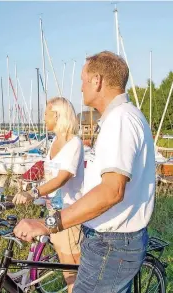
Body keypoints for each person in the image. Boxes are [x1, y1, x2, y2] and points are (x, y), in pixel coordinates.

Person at [13, 51, 156, 292]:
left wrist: (48, 223)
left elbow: (111, 191)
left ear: (97, 80)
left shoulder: (120, 120)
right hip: (111, 242)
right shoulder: (121, 118)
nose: (80, 88)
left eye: (83, 79)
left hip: (111, 245)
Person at [13, 97, 84, 292]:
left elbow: (62, 178)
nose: (43, 118)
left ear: (57, 115)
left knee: (72, 275)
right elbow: (49, 176)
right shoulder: (55, 141)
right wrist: (33, 191)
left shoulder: (73, 142)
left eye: (46, 114)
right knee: (65, 267)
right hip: (53, 211)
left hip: (68, 214)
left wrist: (32, 193)